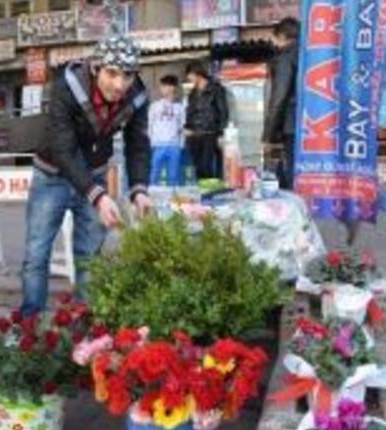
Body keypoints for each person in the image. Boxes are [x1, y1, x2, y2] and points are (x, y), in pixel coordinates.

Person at [20, 35, 153, 317]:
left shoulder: (138, 96)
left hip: (95, 172)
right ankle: (28, 329)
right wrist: (99, 196)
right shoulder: (65, 87)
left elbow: (138, 144)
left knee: (89, 257)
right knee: (36, 255)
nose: (120, 84)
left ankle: (86, 329)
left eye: (128, 75)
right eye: (112, 73)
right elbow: (63, 150)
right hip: (52, 175)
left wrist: (139, 188)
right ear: (95, 69)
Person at [264, 17, 300, 190]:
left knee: (293, 169)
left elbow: (279, 98)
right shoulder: (308, 54)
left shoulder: (285, 58)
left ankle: (297, 210)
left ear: (283, 36)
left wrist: (268, 135)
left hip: (292, 123)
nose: (272, 42)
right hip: (312, 123)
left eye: (274, 37)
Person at [184, 60, 229, 180]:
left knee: (208, 167)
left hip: (210, 134)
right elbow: (190, 113)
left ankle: (211, 194)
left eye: (190, 76)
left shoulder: (216, 89)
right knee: (196, 168)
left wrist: (221, 133)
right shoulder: (192, 93)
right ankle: (201, 194)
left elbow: (223, 112)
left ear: (197, 73)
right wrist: (187, 128)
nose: (189, 79)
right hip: (195, 136)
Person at [149, 75, 186, 186]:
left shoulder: (180, 107)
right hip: (157, 145)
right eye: (162, 86)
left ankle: (174, 201)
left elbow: (182, 126)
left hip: (174, 145)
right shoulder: (154, 106)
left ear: (172, 88)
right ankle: (150, 199)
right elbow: (149, 124)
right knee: (153, 175)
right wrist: (151, 142)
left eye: (165, 86)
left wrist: (181, 144)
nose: (163, 89)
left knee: (174, 177)